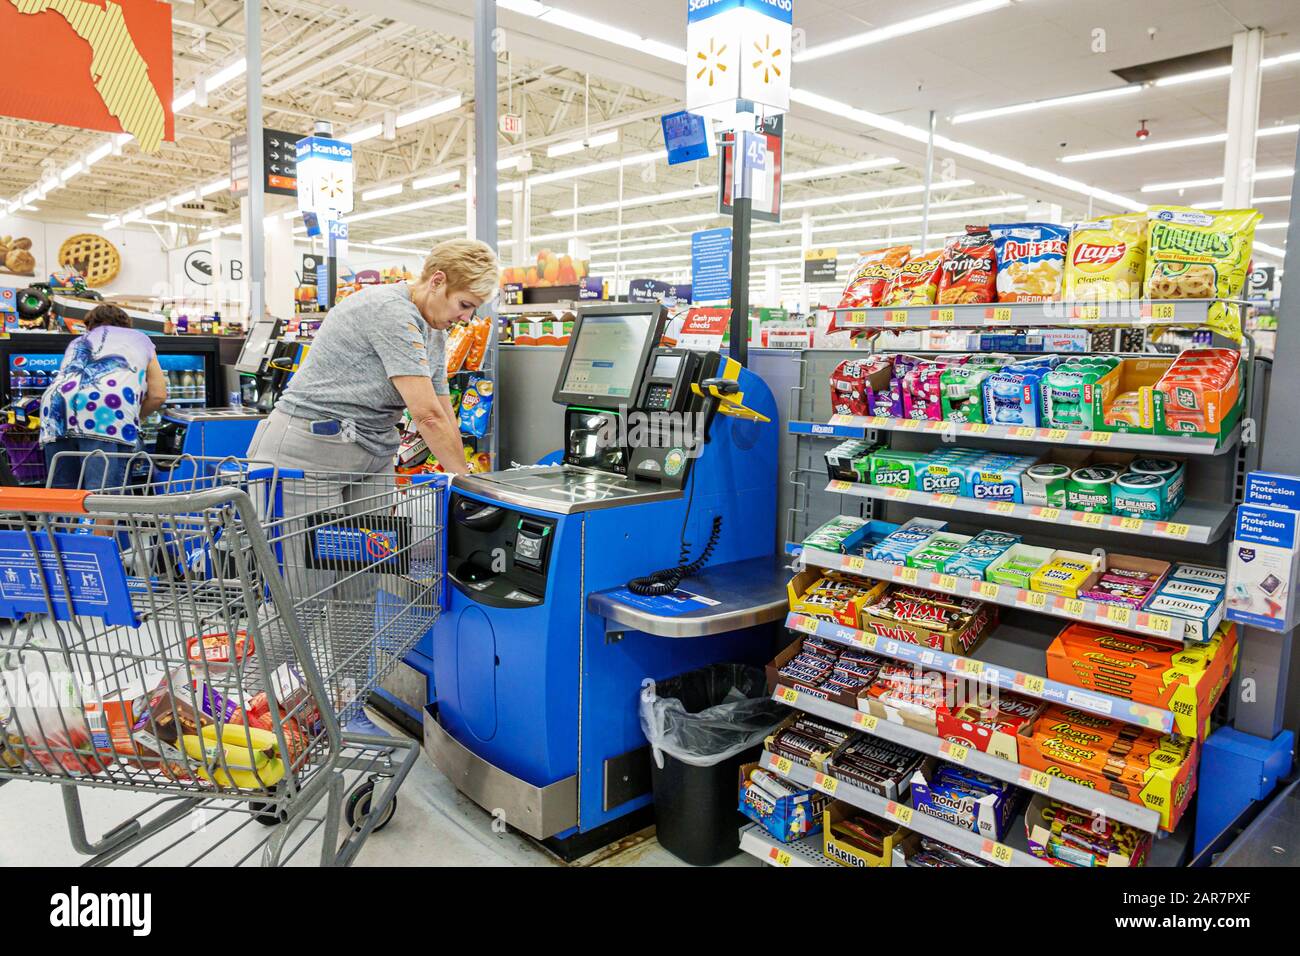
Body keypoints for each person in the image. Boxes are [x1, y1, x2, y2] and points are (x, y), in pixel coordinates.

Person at [247, 238, 499, 477]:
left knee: (380, 525)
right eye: (464, 305)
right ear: (437, 281)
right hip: (308, 450)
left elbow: (442, 412)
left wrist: (463, 475)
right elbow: (428, 417)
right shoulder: (390, 310)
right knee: (312, 525)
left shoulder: (434, 331)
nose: (467, 318)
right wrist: (466, 482)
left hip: (371, 450)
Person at [39, 304, 168, 490]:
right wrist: (135, 418)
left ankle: (60, 520)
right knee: (103, 494)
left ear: (90, 325)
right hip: (105, 413)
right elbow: (158, 395)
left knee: (63, 491)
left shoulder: (78, 342)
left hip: (55, 411)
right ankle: (104, 520)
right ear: (126, 324)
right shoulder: (140, 339)